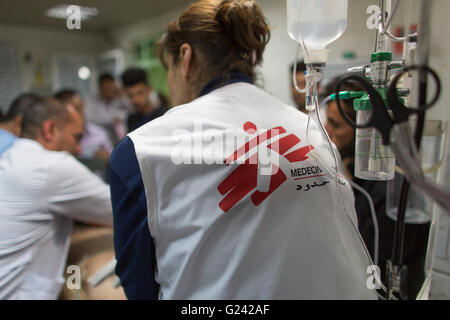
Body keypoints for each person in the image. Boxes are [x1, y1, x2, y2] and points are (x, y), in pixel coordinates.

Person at [109, 0, 376, 300]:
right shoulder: (311, 129)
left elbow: (139, 286)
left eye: (168, 69)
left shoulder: (143, 149)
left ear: (185, 58)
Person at [324, 75, 430, 299]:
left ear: (365, 128)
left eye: (335, 124)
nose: (325, 131)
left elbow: (372, 265)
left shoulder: (391, 187)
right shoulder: (358, 176)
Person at [0, 98, 113, 299]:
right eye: (76, 137)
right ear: (50, 130)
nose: (79, 149)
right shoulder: (51, 167)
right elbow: (119, 209)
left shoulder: (11, 158)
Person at [54, 89, 113, 162]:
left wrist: (107, 159)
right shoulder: (53, 138)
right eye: (69, 112)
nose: (75, 115)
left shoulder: (100, 133)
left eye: (78, 108)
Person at [84, 73, 130, 143]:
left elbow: (131, 110)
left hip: (119, 138)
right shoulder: (90, 99)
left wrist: (122, 96)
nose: (109, 91)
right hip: (97, 138)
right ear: (100, 88)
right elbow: (88, 117)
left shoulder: (119, 98)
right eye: (106, 89)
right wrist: (111, 119)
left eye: (110, 88)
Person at [121, 68, 168, 132]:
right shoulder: (131, 119)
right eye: (130, 95)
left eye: (140, 93)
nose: (135, 99)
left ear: (149, 89)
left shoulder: (164, 116)